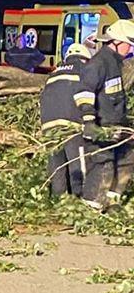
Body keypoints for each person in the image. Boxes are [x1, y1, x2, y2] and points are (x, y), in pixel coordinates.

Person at [73, 19, 134, 212]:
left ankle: (111, 202)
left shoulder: (115, 64)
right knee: (103, 165)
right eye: (129, 45)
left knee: (128, 158)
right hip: (101, 128)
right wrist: (90, 121)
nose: (130, 49)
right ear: (116, 42)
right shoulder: (99, 63)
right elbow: (84, 91)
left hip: (116, 125)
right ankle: (92, 208)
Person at [40, 43, 91, 197]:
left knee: (57, 167)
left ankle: (58, 201)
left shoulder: (53, 74)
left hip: (49, 127)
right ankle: (80, 201)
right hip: (71, 125)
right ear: (84, 59)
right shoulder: (83, 71)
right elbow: (88, 97)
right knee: (78, 166)